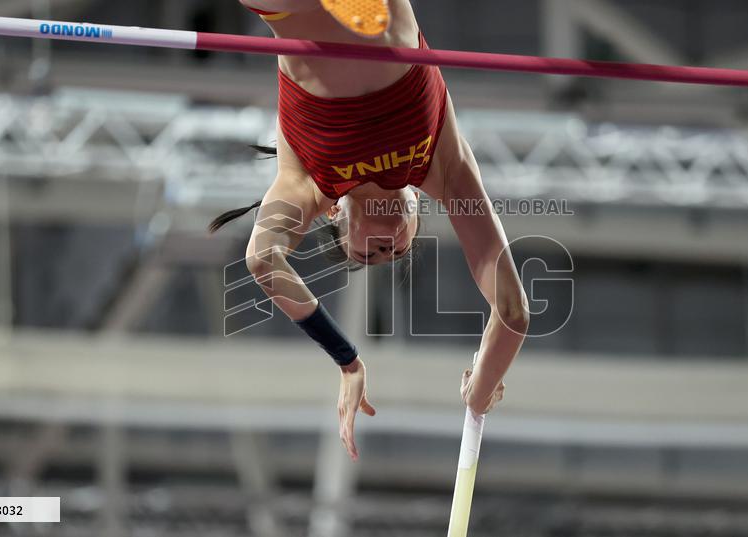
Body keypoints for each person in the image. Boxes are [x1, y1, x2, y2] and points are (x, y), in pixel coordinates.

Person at [212, 0, 529, 461]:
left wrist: (347, 359)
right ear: (418, 205)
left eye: (367, 256)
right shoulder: (443, 167)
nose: (386, 248)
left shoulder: (308, 184)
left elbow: (262, 259)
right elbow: (513, 312)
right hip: (379, 23)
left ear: (335, 216)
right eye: (398, 251)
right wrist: (482, 386)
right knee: (384, 29)